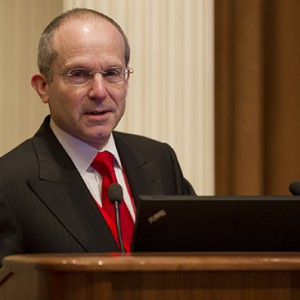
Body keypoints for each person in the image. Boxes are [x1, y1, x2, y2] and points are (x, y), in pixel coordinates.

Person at [0, 8, 195, 266]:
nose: (99, 91)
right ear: (43, 87)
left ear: (126, 80)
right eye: (79, 74)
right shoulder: (8, 183)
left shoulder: (159, 158)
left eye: (112, 73)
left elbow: (197, 257)